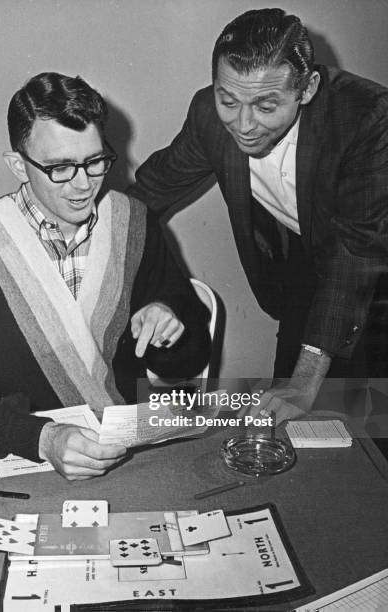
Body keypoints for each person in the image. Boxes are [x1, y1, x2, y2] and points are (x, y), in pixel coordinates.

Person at [0, 72, 210, 480]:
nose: (82, 185)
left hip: (129, 454)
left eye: (95, 162)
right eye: (60, 168)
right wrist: (43, 439)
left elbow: (189, 359)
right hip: (23, 460)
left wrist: (172, 325)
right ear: (19, 167)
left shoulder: (134, 223)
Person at [129, 8, 388, 427]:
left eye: (266, 105)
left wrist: (306, 381)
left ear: (307, 89)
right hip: (310, 269)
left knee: (373, 426)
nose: (243, 125)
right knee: (293, 420)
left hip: (373, 268)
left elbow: (355, 254)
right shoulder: (210, 116)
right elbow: (148, 192)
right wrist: (70, 230)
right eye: (228, 100)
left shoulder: (368, 117)